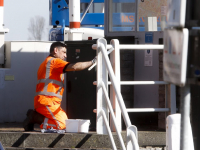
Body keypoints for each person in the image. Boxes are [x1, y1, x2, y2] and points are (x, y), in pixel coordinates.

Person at [23, 41, 96, 131]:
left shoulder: (47, 62)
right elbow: (74, 67)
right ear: (55, 50)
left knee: (66, 124)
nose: (65, 56)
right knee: (61, 126)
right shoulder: (54, 61)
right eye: (64, 52)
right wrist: (93, 62)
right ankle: (34, 117)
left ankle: (35, 116)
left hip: (49, 102)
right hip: (46, 102)